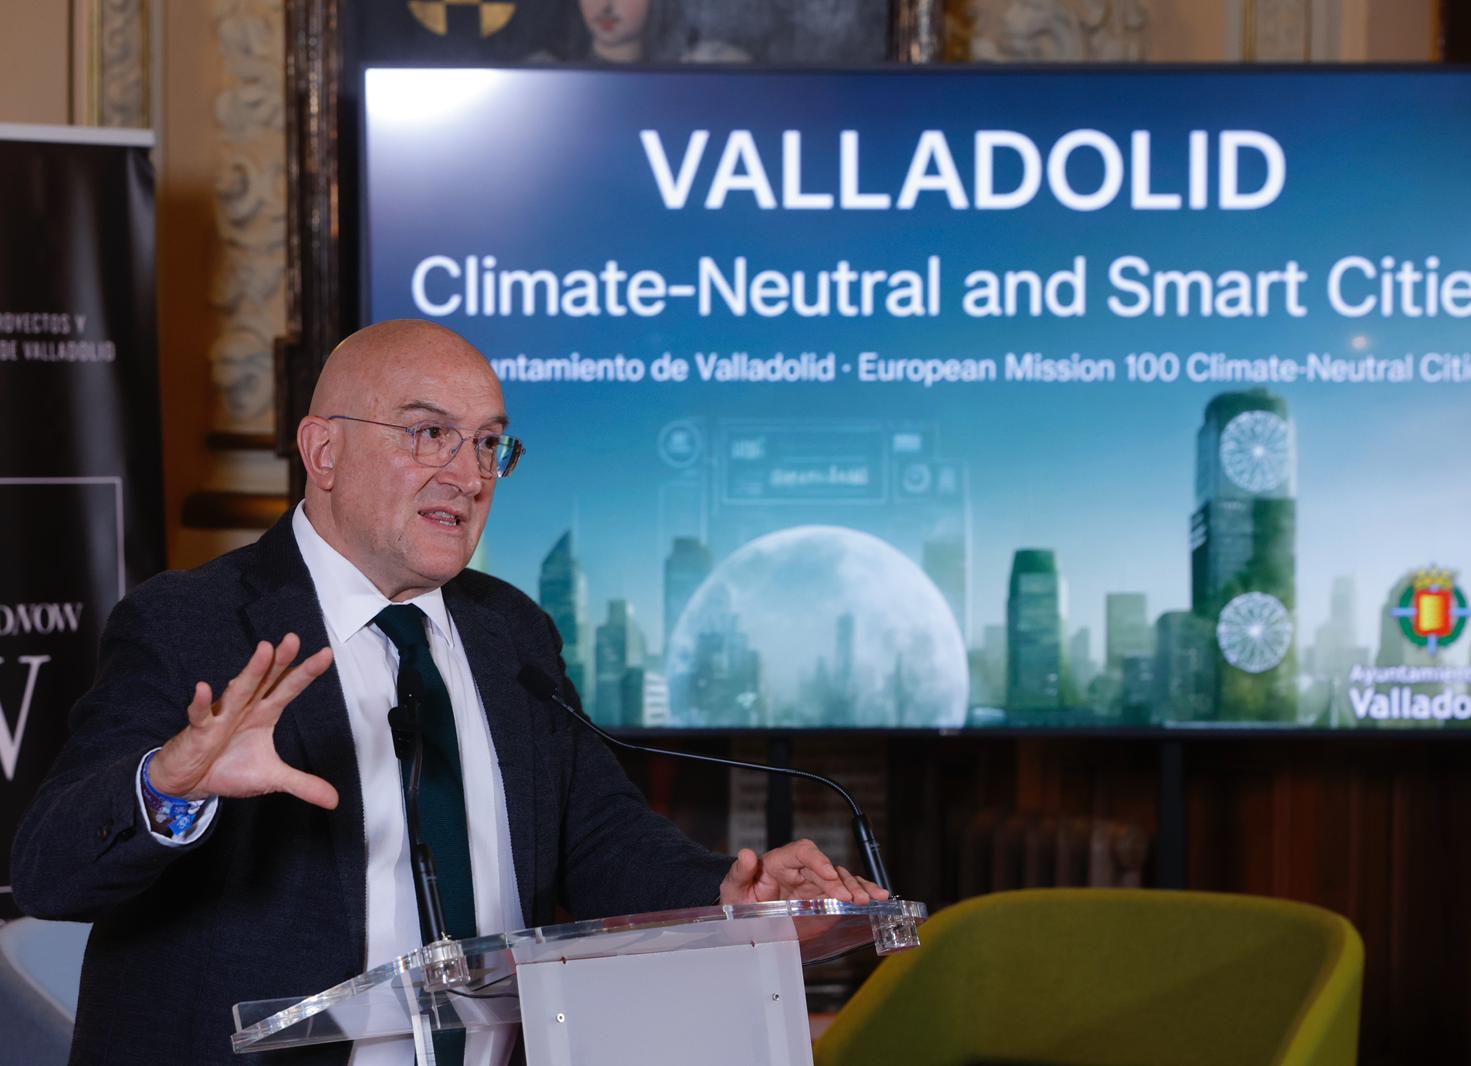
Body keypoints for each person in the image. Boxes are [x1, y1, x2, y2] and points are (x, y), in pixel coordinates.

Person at [9, 320, 885, 1065]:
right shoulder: (193, 623)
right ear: (324, 451)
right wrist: (169, 788)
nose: (468, 475)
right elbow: (48, 870)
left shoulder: (511, 631)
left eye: (488, 443)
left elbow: (601, 838)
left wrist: (733, 896)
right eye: (429, 434)